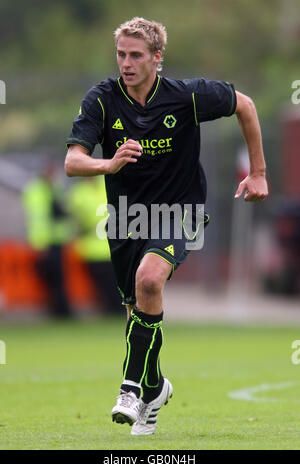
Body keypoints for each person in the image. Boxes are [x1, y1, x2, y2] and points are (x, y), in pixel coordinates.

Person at [64, 17, 268, 435]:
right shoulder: (101, 100)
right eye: (121, 54)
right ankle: (155, 389)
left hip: (181, 212)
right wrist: (110, 162)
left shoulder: (186, 96)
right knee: (137, 312)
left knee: (150, 279)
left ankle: (130, 390)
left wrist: (259, 172)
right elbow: (73, 161)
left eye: (136, 55)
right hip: (126, 220)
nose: (126, 63)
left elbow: (244, 105)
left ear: (157, 58)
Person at [22, 163, 74, 318]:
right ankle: (58, 311)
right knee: (52, 279)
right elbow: (40, 220)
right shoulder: (39, 191)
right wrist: (40, 244)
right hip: (45, 242)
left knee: (57, 279)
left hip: (55, 241)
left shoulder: (52, 189)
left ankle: (60, 311)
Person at [67, 176, 123, 314]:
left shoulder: (106, 183)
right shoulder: (78, 192)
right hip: (91, 248)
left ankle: (117, 309)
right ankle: (111, 309)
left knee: (116, 282)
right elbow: (74, 219)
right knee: (102, 283)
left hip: (112, 246)